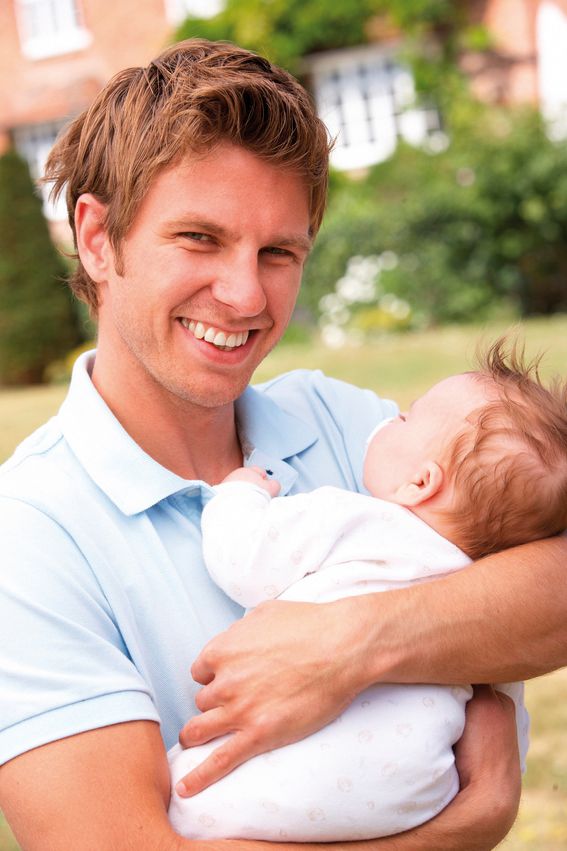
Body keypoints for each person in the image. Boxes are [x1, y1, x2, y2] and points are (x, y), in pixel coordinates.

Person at [0, 38, 561, 851]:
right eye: (198, 238)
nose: (243, 294)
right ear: (96, 237)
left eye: (277, 252)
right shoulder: (25, 540)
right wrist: (466, 824)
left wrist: (350, 645)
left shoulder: (340, 422)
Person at [168, 340, 567, 842]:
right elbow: (503, 735)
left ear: (420, 482)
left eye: (406, 418)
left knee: (180, 797)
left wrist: (239, 492)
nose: (392, 414)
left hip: (270, 788)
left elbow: (242, 560)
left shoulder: (356, 519)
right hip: (412, 798)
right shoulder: (487, 585)